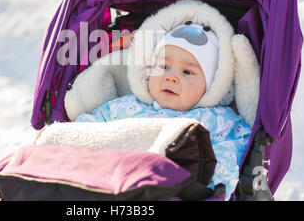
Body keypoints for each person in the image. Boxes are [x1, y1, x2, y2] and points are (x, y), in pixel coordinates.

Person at [75, 19, 251, 200]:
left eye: (187, 72)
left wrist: (215, 181)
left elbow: (237, 144)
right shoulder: (126, 107)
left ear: (212, 86)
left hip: (178, 187)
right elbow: (89, 128)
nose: (171, 77)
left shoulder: (215, 118)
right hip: (116, 181)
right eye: (164, 67)